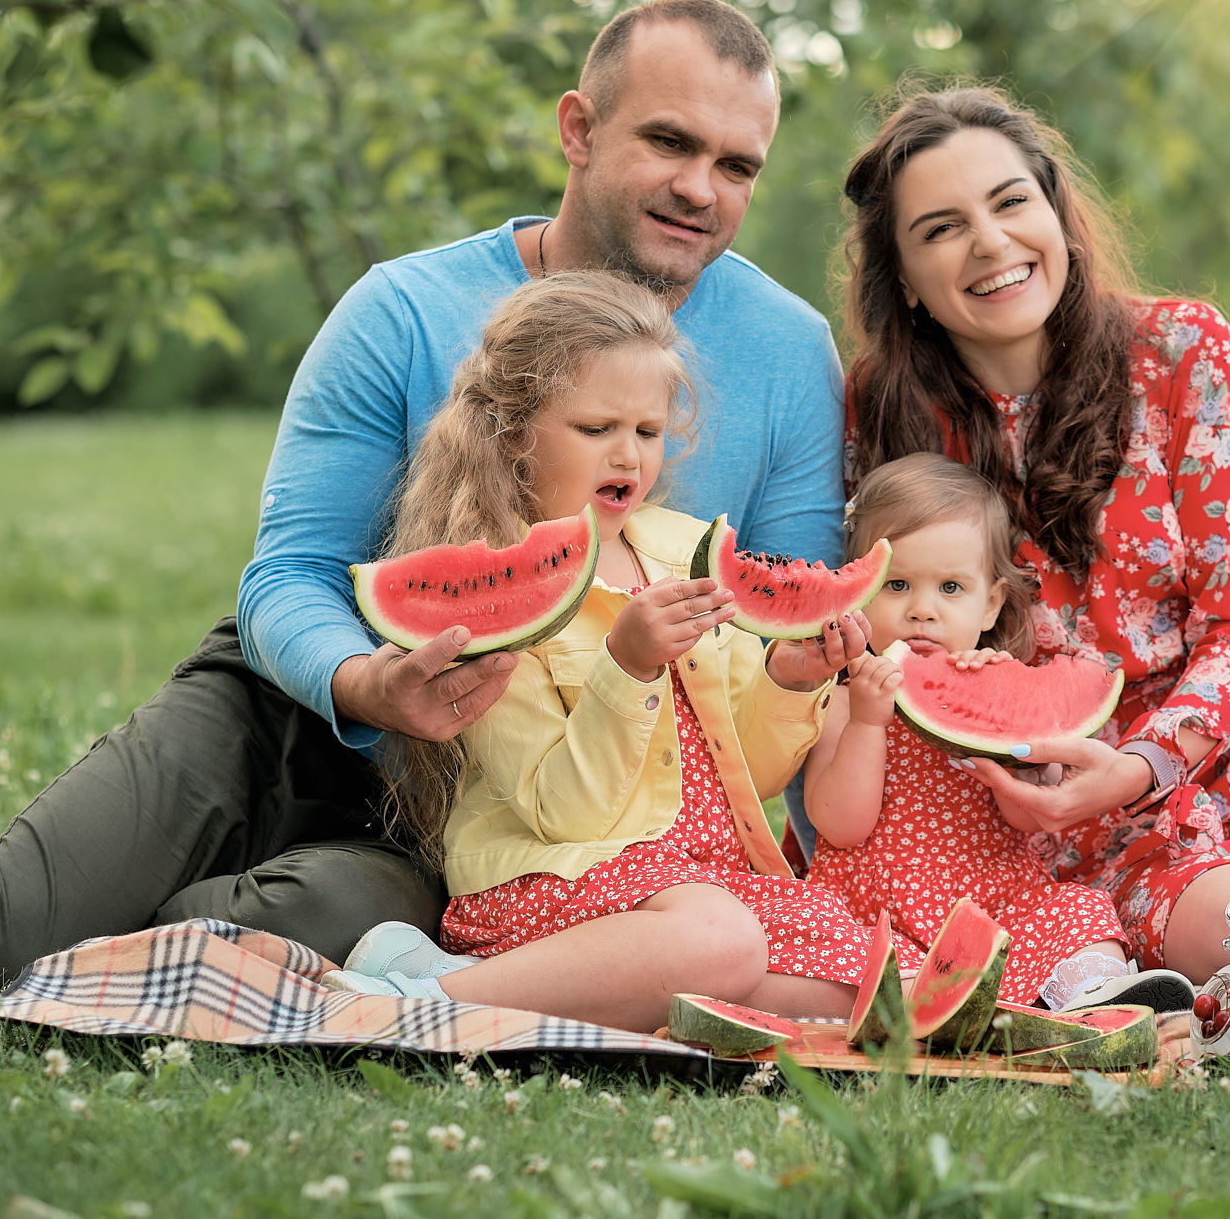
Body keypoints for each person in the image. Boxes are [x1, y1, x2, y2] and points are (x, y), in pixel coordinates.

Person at [0, 0, 845, 987]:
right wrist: (367, 680)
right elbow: (289, 575)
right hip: (289, 705)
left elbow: (773, 616)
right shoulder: (399, 309)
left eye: (737, 164)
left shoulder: (789, 350)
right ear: (578, 128)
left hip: (485, 808)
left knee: (316, 930)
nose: (701, 188)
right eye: (669, 142)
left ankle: (72, 917)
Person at [836, 86, 1230, 981]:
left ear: (1057, 213)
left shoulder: (1182, 350)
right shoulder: (882, 411)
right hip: (1075, 806)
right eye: (941, 228)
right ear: (902, 274)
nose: (989, 242)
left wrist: (1146, 759)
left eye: (1011, 201)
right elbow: (892, 637)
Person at [326, 273, 905, 1032]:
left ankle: (529, 990)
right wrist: (625, 668)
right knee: (722, 941)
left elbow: (751, 773)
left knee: (872, 994)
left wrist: (789, 680)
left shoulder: (686, 550)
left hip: (708, 881)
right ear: (513, 432)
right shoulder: (495, 596)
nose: (628, 456)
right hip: (561, 879)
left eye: (648, 431)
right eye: (596, 429)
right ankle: (425, 1005)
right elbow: (563, 811)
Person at [802, 453, 1193, 1013]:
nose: (922, 611)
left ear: (992, 604)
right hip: (876, 917)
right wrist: (868, 721)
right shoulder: (841, 702)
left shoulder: (1000, 691)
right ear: (856, 589)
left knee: (1076, 909)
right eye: (897, 584)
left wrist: (1023, 750)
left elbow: (1027, 814)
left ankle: (1094, 995)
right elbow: (841, 824)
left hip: (995, 909)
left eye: (951, 589)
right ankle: (945, 1005)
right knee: (825, 939)